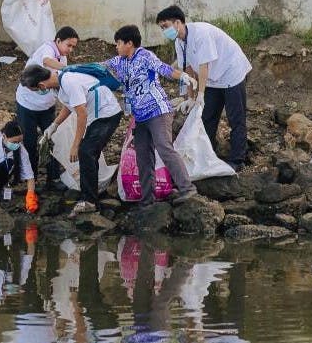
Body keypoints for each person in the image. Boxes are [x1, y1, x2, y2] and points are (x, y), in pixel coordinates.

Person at [105, 25, 199, 205]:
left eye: (118, 43)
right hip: (140, 117)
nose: (116, 47)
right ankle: (147, 200)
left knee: (164, 147)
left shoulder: (145, 56)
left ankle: (188, 189)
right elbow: (101, 67)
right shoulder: (120, 61)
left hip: (158, 111)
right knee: (143, 156)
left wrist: (183, 77)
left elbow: (164, 69)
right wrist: (66, 70)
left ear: (129, 43)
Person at [155, 6, 252, 170]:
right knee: (207, 117)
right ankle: (208, 154)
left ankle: (237, 160)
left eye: (165, 26)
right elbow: (188, 69)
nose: (164, 31)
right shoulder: (179, 41)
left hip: (230, 72)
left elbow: (203, 66)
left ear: (177, 22)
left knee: (236, 118)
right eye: (162, 28)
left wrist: (201, 94)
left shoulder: (201, 33)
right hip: (213, 79)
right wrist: (190, 97)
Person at [19, 64, 123, 216]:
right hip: (97, 116)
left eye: (36, 90)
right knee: (88, 152)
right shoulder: (57, 85)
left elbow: (81, 114)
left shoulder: (68, 81)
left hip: (107, 113)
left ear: (41, 85)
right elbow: (69, 106)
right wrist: (54, 126)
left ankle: (90, 201)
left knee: (85, 151)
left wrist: (75, 145)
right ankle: (91, 194)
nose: (39, 91)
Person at [15, 27, 80, 188]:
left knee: (52, 140)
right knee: (29, 142)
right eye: (68, 45)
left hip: (47, 107)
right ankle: (30, 178)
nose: (70, 50)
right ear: (58, 41)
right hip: (27, 106)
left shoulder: (62, 58)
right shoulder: (47, 49)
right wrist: (67, 69)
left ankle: (54, 178)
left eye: (73, 47)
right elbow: (46, 61)